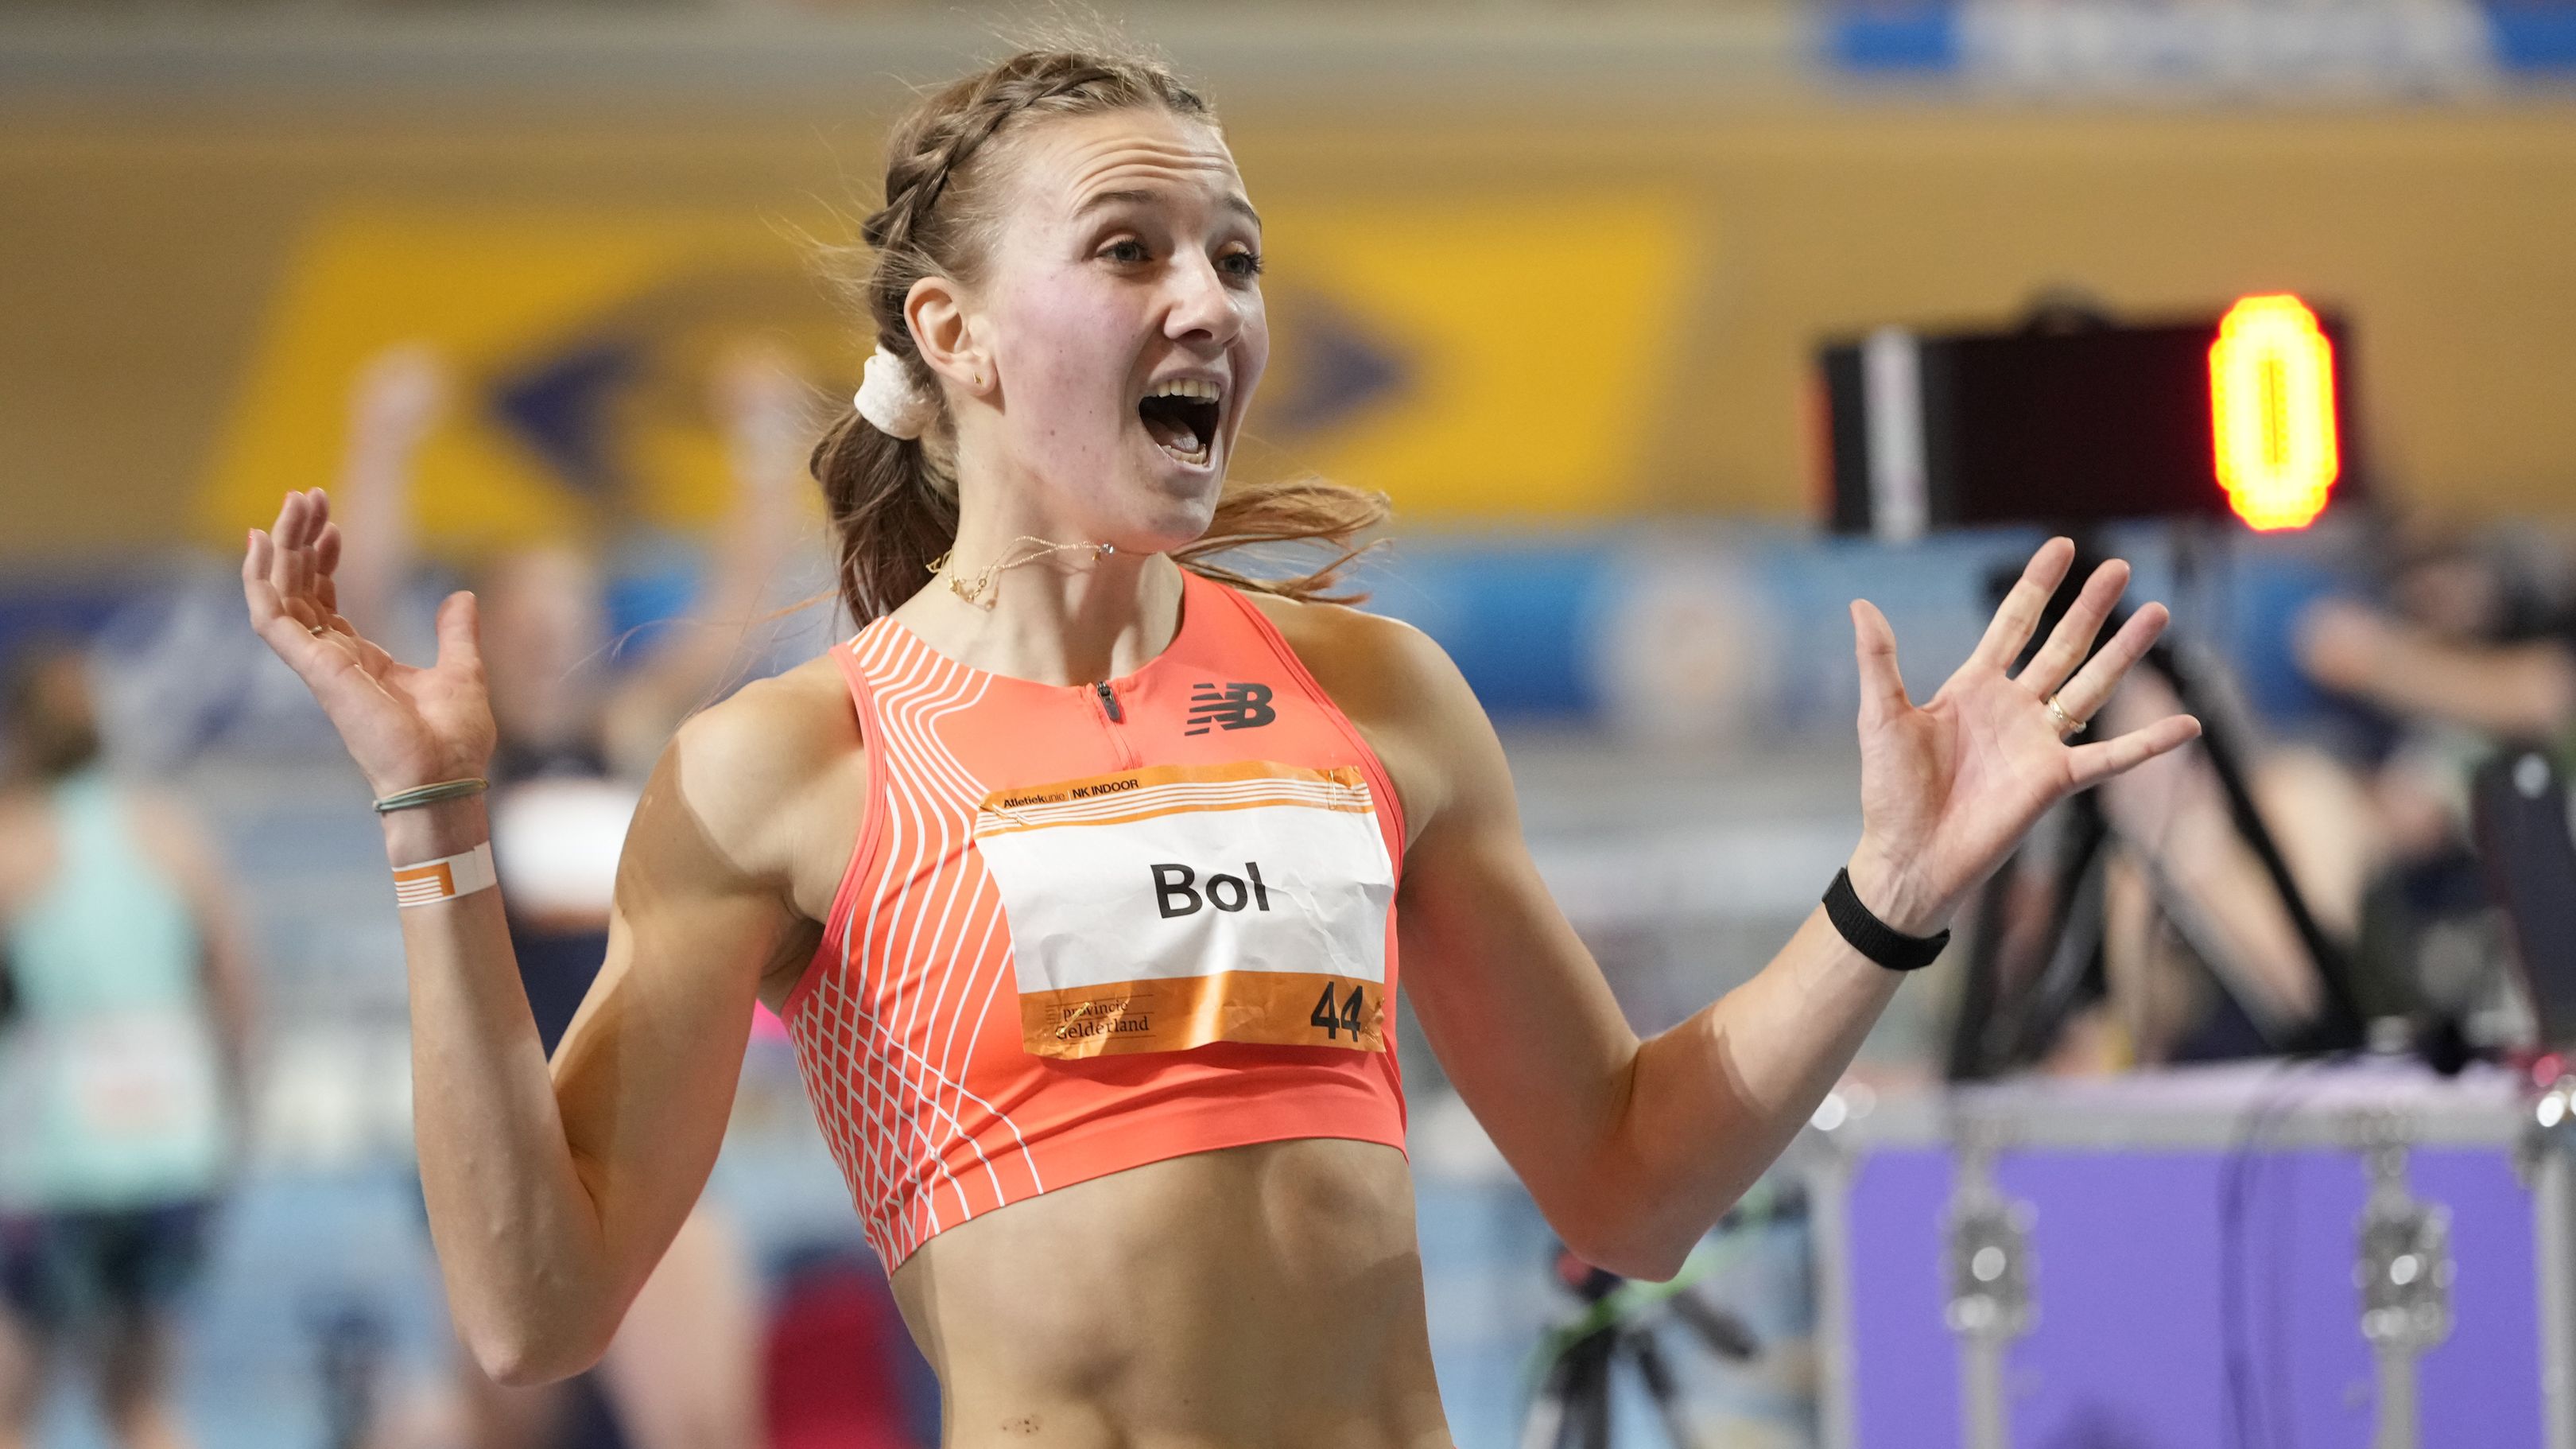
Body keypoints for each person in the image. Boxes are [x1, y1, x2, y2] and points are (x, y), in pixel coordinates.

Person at [239, 39, 2200, 1443]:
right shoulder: (788, 769)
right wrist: (433, 823)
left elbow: (1625, 1183)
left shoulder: (1377, 701)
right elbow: (533, 1305)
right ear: (956, 333)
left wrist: (1879, 899)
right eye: (1127, 250)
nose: (1207, 300)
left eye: (1234, 257)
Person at [321, 344, 800, 1449]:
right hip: (495, 1127)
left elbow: (733, 613)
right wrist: (380, 435)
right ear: (489, 625)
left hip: (625, 1117)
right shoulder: (459, 759)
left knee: (694, 1417)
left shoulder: (619, 735)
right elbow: (361, 603)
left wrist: (765, 446)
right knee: (509, 1415)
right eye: (532, 606)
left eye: (572, 605)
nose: (556, 626)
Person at [0, 643, 255, 1449]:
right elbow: (238, 991)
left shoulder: (15, 844)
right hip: (172, 1149)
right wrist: (234, 1115)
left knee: (14, 1399)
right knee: (143, 1402)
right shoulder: (171, 831)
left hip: (54, 1163)